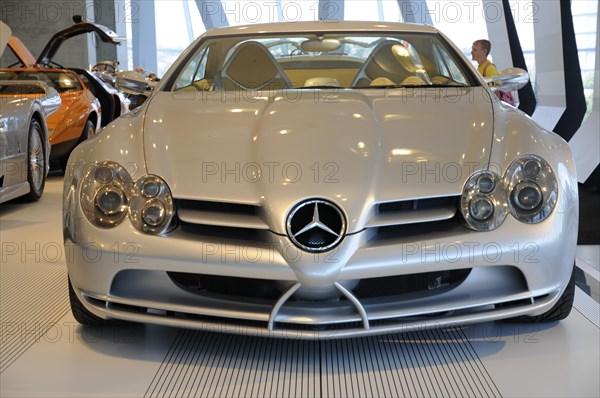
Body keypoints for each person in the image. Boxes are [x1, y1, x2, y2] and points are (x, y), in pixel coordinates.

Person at [471, 39, 515, 106]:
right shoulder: (480, 68)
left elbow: (496, 94)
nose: (471, 52)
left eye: (475, 50)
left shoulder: (490, 69)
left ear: (484, 52)